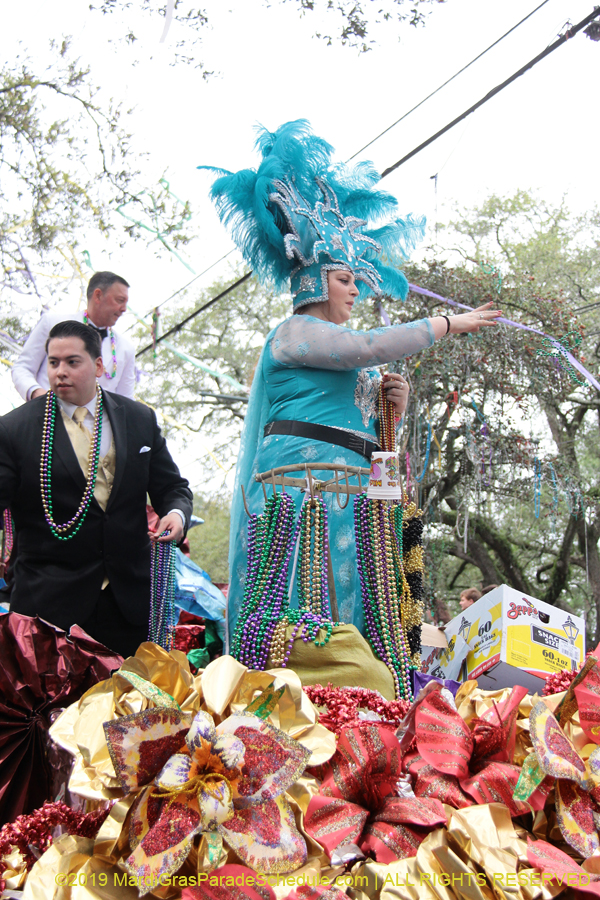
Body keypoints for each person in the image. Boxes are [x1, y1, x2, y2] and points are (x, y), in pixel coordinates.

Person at [204, 120, 501, 660]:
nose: (356, 291)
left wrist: (394, 415)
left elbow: (379, 445)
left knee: (366, 620)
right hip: (303, 491)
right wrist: (448, 324)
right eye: (347, 280)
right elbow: (365, 347)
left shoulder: (355, 364)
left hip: (362, 500)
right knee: (302, 619)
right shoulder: (293, 333)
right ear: (314, 280)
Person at [0, 320, 193, 658]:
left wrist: (176, 514)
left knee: (127, 709)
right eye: (53, 362)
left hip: (127, 602)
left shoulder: (139, 419)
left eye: (73, 362)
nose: (60, 371)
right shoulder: (15, 429)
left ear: (99, 365)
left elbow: (172, 487)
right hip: (47, 608)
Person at [11, 271, 136, 401]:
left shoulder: (126, 349)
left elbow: (125, 401)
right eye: (120, 300)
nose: (124, 309)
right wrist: (37, 394)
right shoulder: (51, 323)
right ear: (98, 296)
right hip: (47, 416)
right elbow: (22, 368)